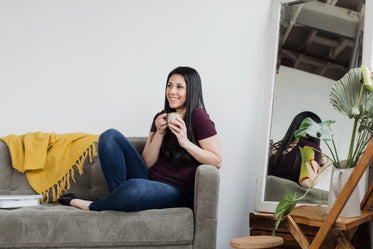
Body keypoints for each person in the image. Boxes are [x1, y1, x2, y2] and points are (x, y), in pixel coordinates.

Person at [58, 66, 222, 211]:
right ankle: (119, 200)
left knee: (135, 188)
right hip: (147, 179)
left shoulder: (197, 116)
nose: (172, 91)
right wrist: (159, 134)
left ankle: (92, 205)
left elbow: (217, 161)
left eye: (180, 87)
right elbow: (146, 163)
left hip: (176, 190)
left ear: (191, 90)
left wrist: (184, 142)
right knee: (109, 136)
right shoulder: (161, 116)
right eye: (169, 85)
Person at [268, 111, 329, 189]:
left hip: (268, 192)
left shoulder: (276, 145)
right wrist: (321, 174)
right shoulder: (312, 148)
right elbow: (306, 183)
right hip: (290, 194)